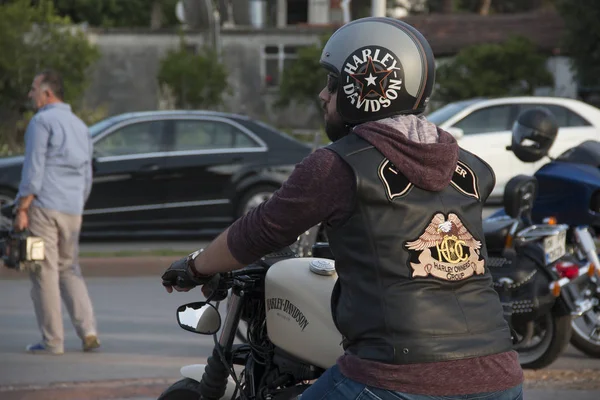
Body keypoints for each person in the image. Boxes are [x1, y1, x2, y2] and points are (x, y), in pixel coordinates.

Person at [161, 17, 524, 399]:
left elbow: (258, 232)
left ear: (360, 88)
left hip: (395, 379)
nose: (322, 94)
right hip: (499, 376)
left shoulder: (337, 166)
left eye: (332, 84)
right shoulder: (468, 168)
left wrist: (193, 266)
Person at [15, 69, 99, 355]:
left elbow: (34, 170)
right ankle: (88, 331)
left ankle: (52, 341)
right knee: (70, 268)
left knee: (43, 271)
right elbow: (87, 175)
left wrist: (22, 208)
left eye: (33, 89)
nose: (30, 94)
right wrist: (78, 204)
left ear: (47, 93)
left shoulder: (41, 122)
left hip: (43, 210)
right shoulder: (80, 125)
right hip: (72, 210)